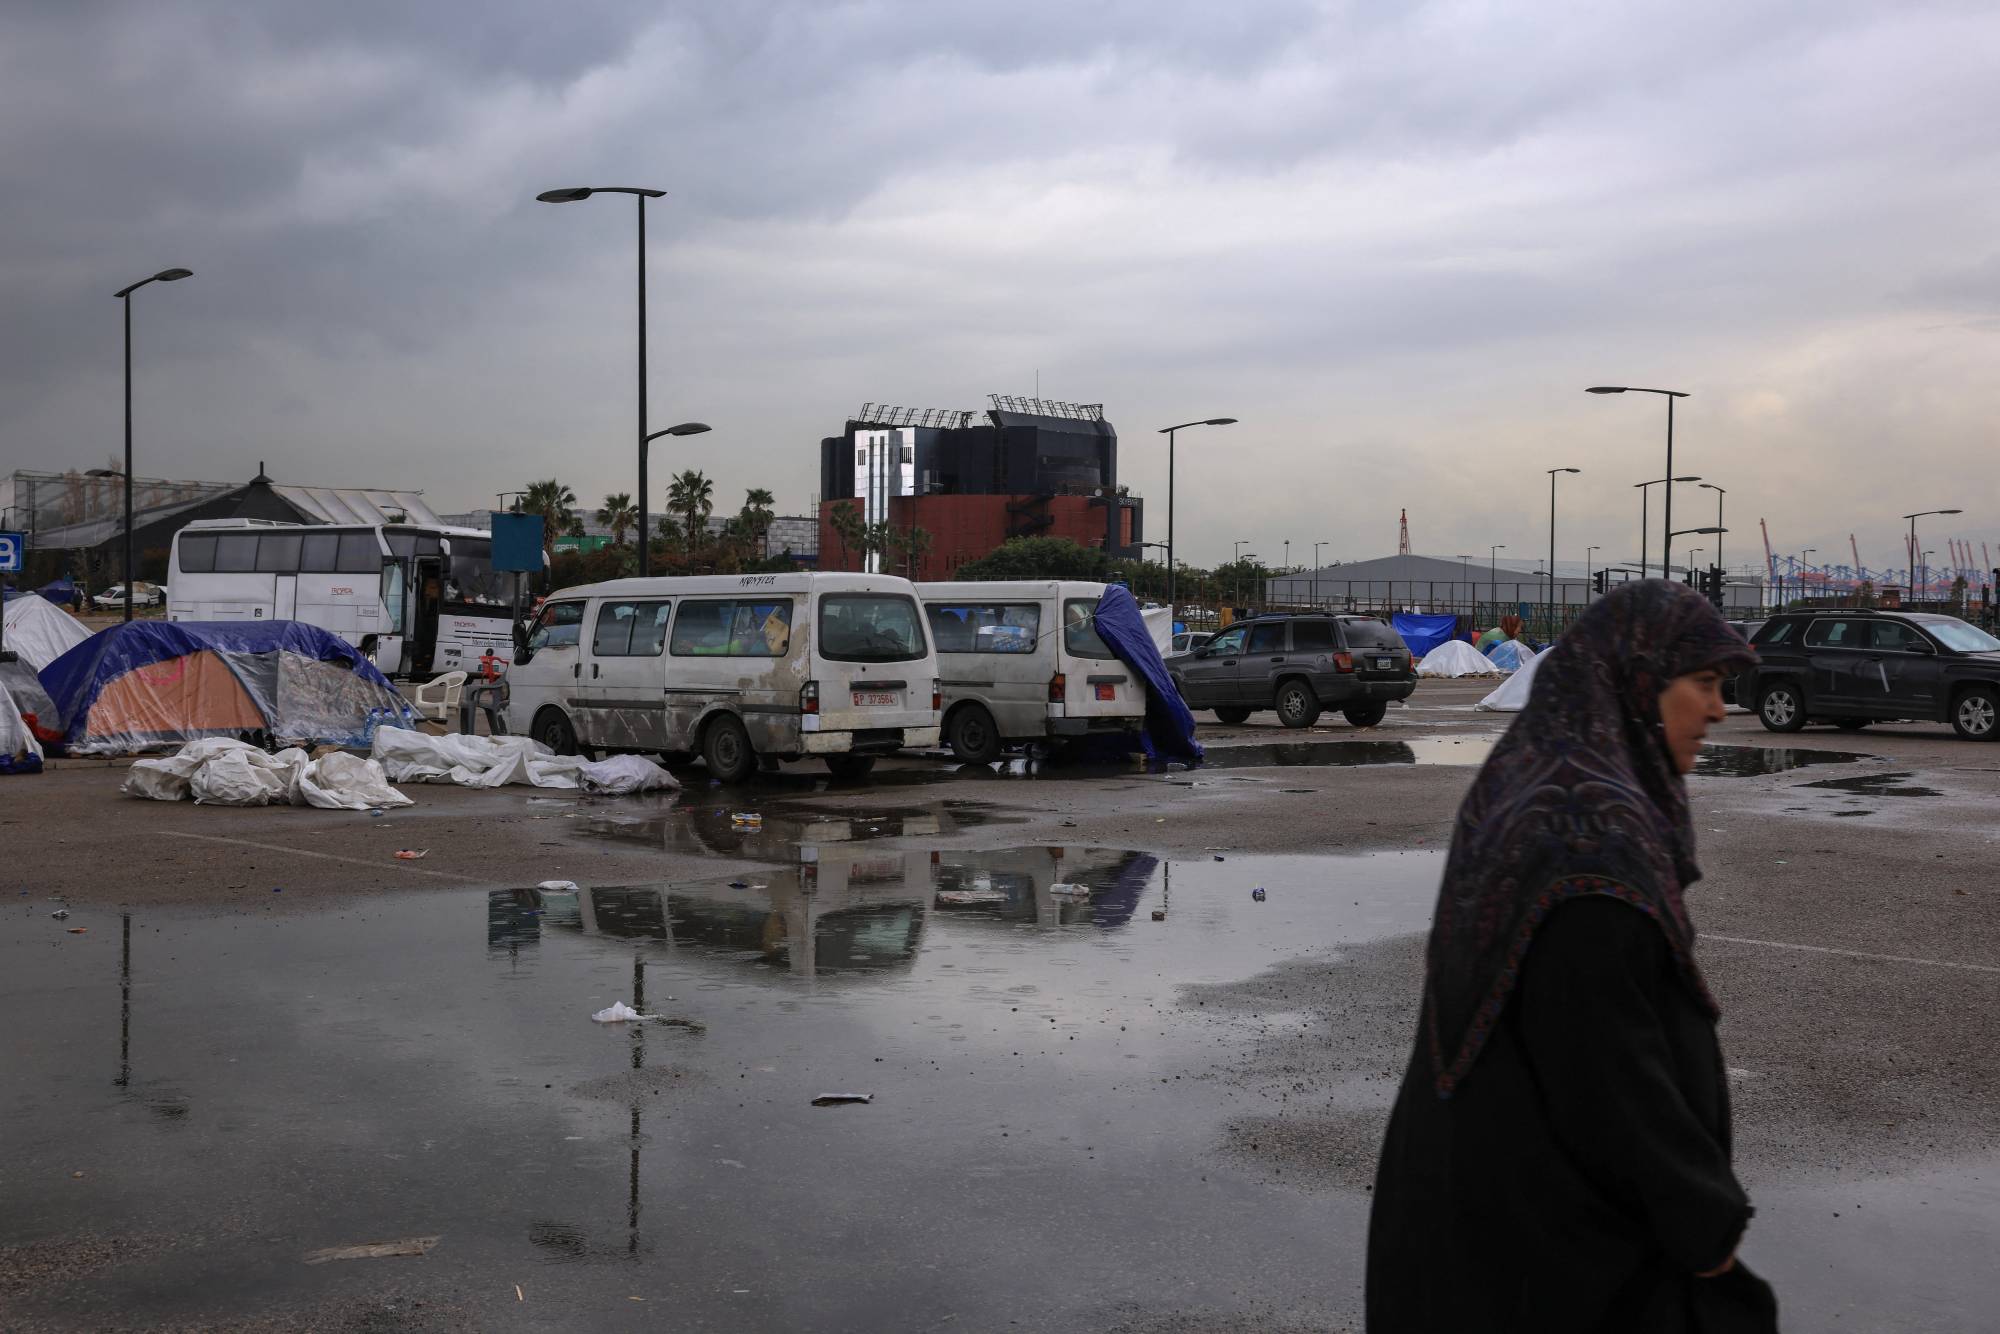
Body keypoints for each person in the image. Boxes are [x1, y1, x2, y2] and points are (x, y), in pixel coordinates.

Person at [1367, 581, 1778, 1333]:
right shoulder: (1585, 836)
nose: (1720, 709)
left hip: (1496, 1225)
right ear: (1639, 681)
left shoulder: (1544, 783)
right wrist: (1705, 1226)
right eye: (1705, 682)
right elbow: (1610, 1074)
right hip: (1535, 1263)